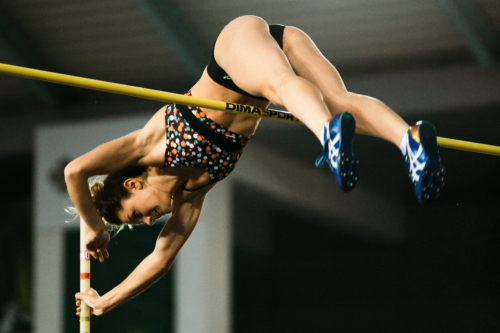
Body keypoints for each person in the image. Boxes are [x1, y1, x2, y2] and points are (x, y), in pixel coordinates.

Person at [70, 15, 445, 316]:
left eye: (137, 216)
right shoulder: (192, 196)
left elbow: (76, 171)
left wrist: (94, 224)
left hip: (235, 51)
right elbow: (161, 259)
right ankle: (408, 142)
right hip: (279, 48)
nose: (150, 221)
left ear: (133, 185)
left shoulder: (147, 146)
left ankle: (329, 136)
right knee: (339, 102)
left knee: (279, 87)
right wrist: (106, 301)